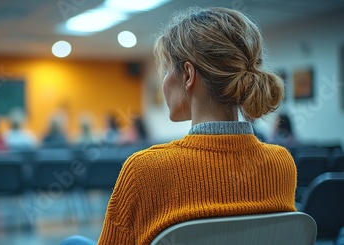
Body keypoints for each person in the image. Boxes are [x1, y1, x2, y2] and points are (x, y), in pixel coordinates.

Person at [61, 7, 296, 245]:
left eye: (165, 70)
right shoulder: (282, 164)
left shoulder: (144, 170)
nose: (163, 81)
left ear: (188, 75)